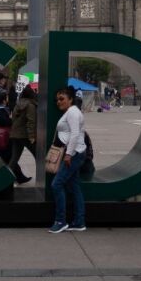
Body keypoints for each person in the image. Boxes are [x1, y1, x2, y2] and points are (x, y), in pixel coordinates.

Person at [49, 86, 88, 234]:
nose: (59, 102)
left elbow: (75, 134)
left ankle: (61, 221)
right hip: (75, 153)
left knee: (56, 184)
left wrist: (69, 154)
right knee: (74, 187)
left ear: (70, 99)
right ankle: (79, 222)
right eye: (57, 99)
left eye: (62, 99)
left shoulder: (72, 112)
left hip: (74, 154)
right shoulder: (71, 112)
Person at [6, 84, 38, 184]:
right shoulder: (30, 106)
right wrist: (32, 136)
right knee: (39, 156)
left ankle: (5, 180)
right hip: (25, 135)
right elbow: (31, 122)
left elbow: (13, 119)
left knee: (14, 159)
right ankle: (43, 177)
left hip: (15, 134)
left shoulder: (18, 104)